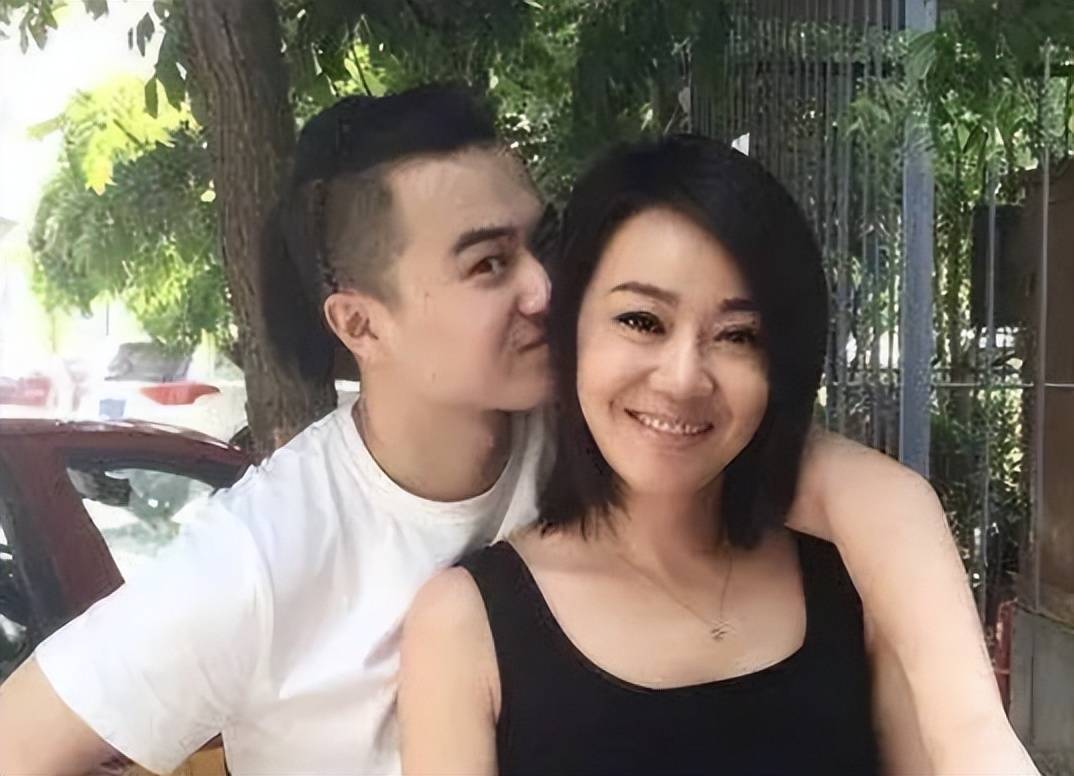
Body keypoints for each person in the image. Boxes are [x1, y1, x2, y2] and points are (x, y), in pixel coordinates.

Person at [0, 86, 1030, 775]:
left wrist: (975, 736)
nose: (545, 286)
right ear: (361, 325)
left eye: (543, 242)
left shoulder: (596, 419)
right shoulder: (258, 559)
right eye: (490, 263)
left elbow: (861, 492)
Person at [399, 135, 1037, 775]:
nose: (683, 379)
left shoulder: (853, 583)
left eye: (737, 336)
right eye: (642, 321)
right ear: (570, 331)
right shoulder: (466, 626)